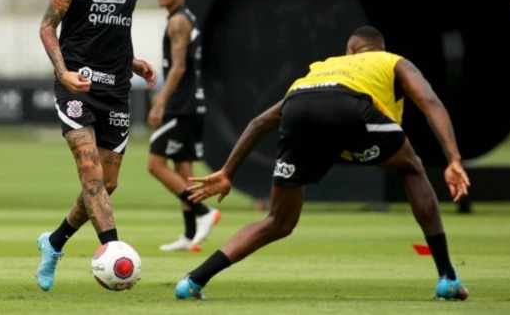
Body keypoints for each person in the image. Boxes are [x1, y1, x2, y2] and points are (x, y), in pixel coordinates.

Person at [175, 25, 471, 301]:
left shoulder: (322, 67)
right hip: (349, 108)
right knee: (411, 169)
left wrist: (229, 172)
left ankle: (192, 282)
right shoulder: (392, 60)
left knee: (278, 221)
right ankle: (447, 277)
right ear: (376, 49)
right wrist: (453, 159)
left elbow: (259, 122)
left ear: (351, 50)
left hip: (298, 108)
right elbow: (429, 100)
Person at [35, 0, 157, 292]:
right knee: (91, 173)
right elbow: (47, 27)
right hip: (78, 85)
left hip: (117, 89)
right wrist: (63, 72)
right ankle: (116, 255)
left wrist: (134, 62)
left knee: (107, 185)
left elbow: (116, 30)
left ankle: (54, 242)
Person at [146, 0, 220, 252]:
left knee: (155, 164)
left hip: (180, 105)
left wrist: (161, 101)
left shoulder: (177, 22)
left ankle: (203, 214)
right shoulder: (186, 19)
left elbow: (179, 66)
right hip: (193, 103)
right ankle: (190, 235)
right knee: (183, 166)